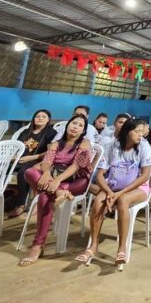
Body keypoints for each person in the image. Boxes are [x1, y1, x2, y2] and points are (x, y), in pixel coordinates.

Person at [77, 119, 151, 267]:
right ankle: (93, 246)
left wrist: (119, 194)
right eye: (137, 131)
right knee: (98, 202)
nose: (140, 135)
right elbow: (100, 175)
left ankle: (122, 248)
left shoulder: (144, 146)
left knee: (124, 200)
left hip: (138, 189)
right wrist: (109, 191)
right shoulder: (113, 146)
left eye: (142, 131)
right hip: (113, 187)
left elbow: (145, 175)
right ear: (127, 131)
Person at [19, 114, 92, 267]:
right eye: (73, 123)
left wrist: (57, 181)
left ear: (83, 131)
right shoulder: (56, 144)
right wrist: (46, 173)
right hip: (55, 181)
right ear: (67, 125)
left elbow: (76, 166)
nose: (75, 127)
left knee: (45, 194)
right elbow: (47, 162)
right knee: (30, 173)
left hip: (76, 182)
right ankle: (58, 194)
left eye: (80, 125)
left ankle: (37, 245)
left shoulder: (84, 144)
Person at [8, 109, 56, 218]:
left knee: (23, 172)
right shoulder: (26, 132)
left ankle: (20, 204)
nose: (40, 118)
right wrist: (13, 156)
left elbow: (50, 152)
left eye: (43, 116)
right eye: (37, 116)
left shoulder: (50, 132)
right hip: (20, 159)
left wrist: (30, 158)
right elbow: (16, 146)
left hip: (37, 161)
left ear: (48, 120)